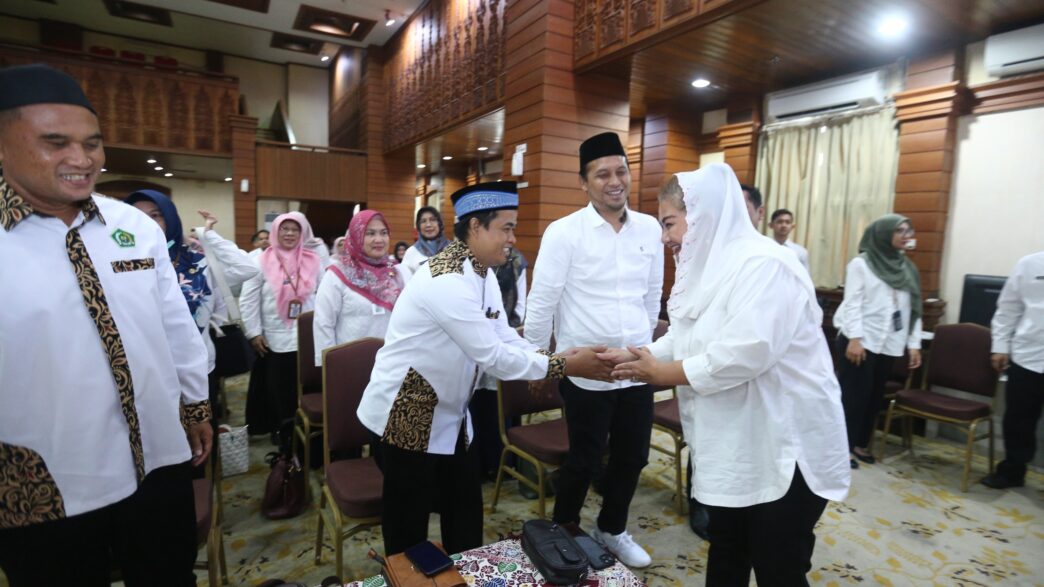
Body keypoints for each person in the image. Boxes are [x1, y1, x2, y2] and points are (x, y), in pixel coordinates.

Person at [0, 63, 210, 586]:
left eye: (91, 143)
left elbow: (175, 328)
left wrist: (194, 404)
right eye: (55, 143)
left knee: (169, 575)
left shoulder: (132, 226)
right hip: (44, 477)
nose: (82, 159)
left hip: (157, 454)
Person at [604, 164, 850, 586]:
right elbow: (684, 335)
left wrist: (661, 373)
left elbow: (746, 353)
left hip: (783, 446)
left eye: (669, 223)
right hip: (739, 440)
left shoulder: (765, 263)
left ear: (703, 217)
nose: (664, 238)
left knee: (778, 567)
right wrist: (635, 356)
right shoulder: (706, 266)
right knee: (727, 549)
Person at [357, 181, 613, 556]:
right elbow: (492, 356)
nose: (512, 238)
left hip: (452, 412)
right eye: (506, 228)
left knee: (464, 511)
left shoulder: (482, 272)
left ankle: (466, 572)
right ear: (475, 227)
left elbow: (503, 335)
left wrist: (553, 356)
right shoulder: (444, 278)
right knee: (408, 527)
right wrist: (564, 365)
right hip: (406, 410)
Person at [524, 131, 664, 568]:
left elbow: (652, 295)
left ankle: (612, 528)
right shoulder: (564, 232)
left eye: (621, 171)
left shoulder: (649, 228)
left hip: (635, 366)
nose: (614, 181)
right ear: (583, 182)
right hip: (587, 369)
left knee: (633, 456)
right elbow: (542, 302)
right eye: (602, 174)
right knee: (583, 459)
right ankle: (562, 533)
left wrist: (644, 348)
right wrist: (538, 363)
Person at [125, 191, 259, 416]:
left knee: (200, 433)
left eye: (155, 215)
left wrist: (209, 236)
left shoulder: (196, 263)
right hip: (143, 373)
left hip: (197, 370)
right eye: (137, 216)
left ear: (170, 219)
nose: (146, 222)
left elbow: (247, 268)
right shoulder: (119, 265)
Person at [834, 214, 923, 469]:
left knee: (874, 398)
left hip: (889, 342)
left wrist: (914, 344)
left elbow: (913, 308)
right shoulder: (861, 264)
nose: (906, 235)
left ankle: (860, 443)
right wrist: (855, 338)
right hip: (860, 340)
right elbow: (853, 303)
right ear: (883, 234)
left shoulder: (908, 268)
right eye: (899, 230)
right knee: (854, 397)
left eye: (908, 230)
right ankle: (841, 448)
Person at [240, 212, 329, 437]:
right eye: (284, 229)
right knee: (280, 387)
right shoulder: (259, 261)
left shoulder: (314, 260)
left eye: (295, 229)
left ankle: (308, 434)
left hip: (308, 335)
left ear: (302, 233)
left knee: (307, 385)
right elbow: (249, 299)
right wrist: (253, 332)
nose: (289, 233)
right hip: (275, 336)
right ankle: (282, 432)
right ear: (275, 232)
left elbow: (324, 294)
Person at [982, 250, 1044, 489]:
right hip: (1028, 356)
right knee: (1018, 420)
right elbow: (1008, 309)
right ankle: (1013, 472)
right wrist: (1000, 346)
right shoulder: (1029, 264)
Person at [313, 209, 407, 366]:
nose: (379, 239)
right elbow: (324, 322)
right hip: (350, 364)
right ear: (356, 236)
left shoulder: (398, 272)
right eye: (370, 233)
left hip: (392, 362)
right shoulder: (337, 274)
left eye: (383, 233)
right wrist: (328, 365)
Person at [470, 246, 529, 477]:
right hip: (474, 343)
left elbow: (519, 304)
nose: (510, 238)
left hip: (503, 338)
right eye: (505, 230)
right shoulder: (463, 266)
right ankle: (480, 464)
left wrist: (504, 333)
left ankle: (501, 464)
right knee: (477, 405)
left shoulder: (516, 261)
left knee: (499, 405)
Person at [400, 205, 449, 276]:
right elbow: (404, 279)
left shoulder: (453, 249)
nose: (428, 225)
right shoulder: (411, 252)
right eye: (423, 221)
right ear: (418, 226)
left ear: (440, 223)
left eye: (432, 220)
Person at [769, 208, 811, 272]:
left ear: (792, 226)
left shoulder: (800, 252)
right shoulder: (763, 248)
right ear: (771, 225)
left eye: (787, 222)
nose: (784, 225)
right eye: (780, 222)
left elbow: (805, 275)